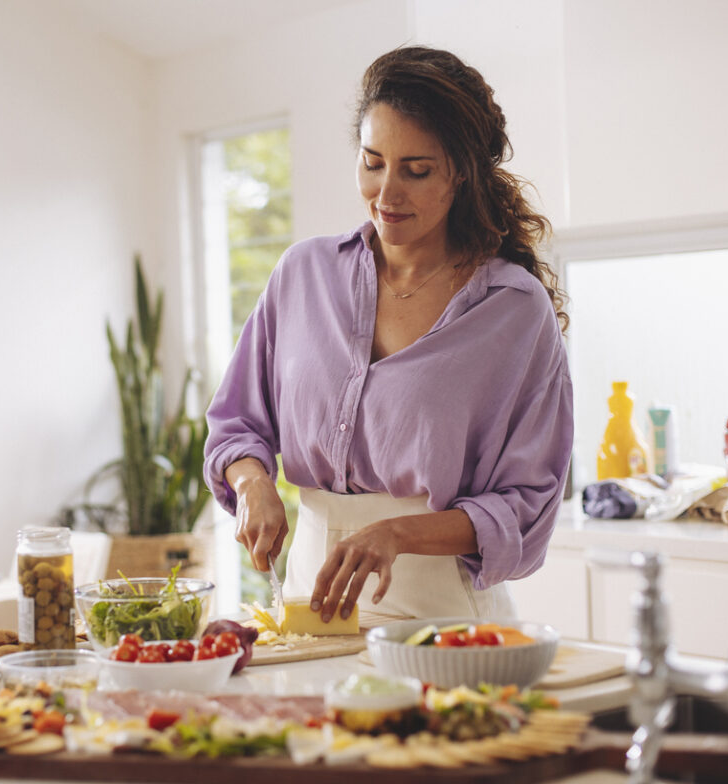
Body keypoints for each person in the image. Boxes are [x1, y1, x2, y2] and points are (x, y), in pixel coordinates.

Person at [202, 46, 573, 624]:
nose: (387, 194)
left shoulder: (512, 310)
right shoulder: (303, 275)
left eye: (417, 170)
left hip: (444, 613)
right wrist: (253, 483)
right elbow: (236, 423)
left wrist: (396, 533)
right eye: (372, 163)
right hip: (307, 606)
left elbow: (527, 504)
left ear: (463, 173)